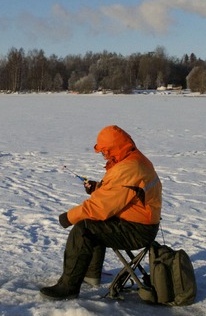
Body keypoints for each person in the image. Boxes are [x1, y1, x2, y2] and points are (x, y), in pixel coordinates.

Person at [41, 125, 162, 300]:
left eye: (105, 151)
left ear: (115, 148)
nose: (104, 156)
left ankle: (68, 287)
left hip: (138, 231)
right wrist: (97, 187)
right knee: (94, 224)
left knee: (83, 228)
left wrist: (68, 218)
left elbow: (99, 208)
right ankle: (91, 275)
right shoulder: (134, 159)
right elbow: (120, 191)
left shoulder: (128, 168)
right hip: (139, 223)